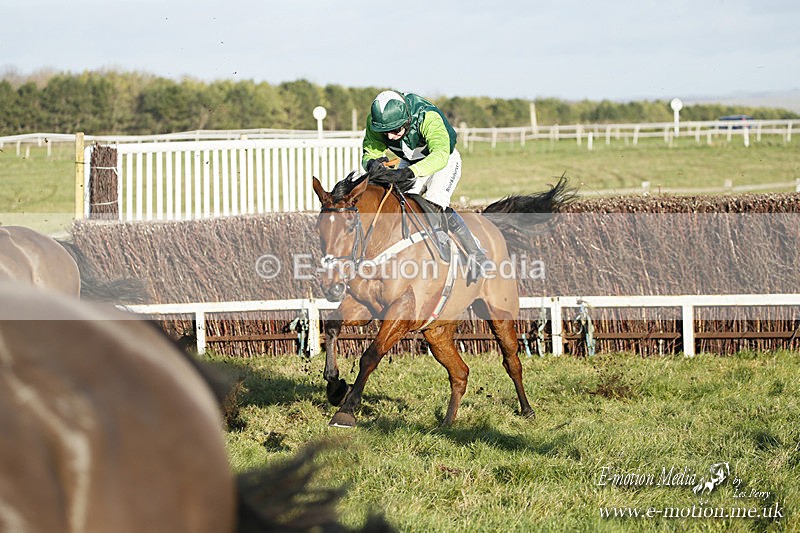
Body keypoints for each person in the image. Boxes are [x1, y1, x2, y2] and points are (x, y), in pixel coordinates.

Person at [361, 89, 489, 282]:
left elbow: (440, 155)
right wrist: (372, 164)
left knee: (433, 203)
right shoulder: (376, 123)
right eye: (384, 132)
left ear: (406, 120)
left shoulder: (427, 117)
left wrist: (409, 173)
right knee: (401, 204)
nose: (390, 137)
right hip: (409, 161)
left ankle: (476, 253)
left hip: (443, 160)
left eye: (396, 130)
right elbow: (370, 150)